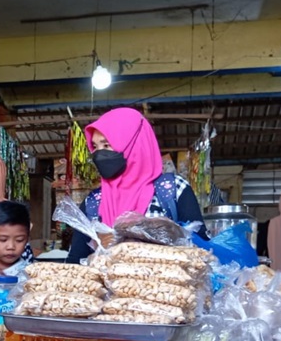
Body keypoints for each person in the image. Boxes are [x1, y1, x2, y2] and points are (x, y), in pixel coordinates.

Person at [66, 107, 203, 263]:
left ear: (134, 143)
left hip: (168, 278)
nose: (98, 155)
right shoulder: (93, 202)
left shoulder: (172, 190)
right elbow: (76, 261)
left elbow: (202, 251)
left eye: (106, 145)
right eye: (95, 147)